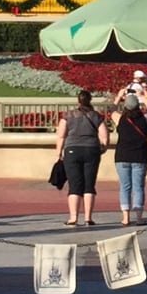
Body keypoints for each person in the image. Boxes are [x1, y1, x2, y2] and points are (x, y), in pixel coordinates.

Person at [55, 90, 109, 227]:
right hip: (91, 150)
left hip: (72, 150)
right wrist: (103, 148)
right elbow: (105, 136)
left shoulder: (68, 116)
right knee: (89, 185)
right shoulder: (96, 116)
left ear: (78, 101)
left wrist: (58, 153)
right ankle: (88, 218)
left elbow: (61, 135)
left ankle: (73, 218)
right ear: (90, 100)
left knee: (74, 185)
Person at [113, 92, 147, 224]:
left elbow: (112, 109)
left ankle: (125, 218)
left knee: (125, 187)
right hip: (140, 157)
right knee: (138, 187)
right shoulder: (145, 118)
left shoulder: (119, 118)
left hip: (122, 156)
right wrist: (144, 97)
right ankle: (139, 217)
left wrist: (118, 97)